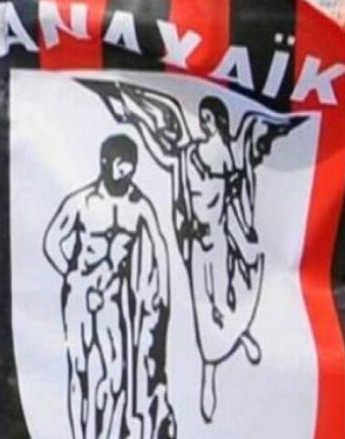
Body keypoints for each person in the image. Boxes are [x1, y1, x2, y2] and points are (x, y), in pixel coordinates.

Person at [85, 80, 304, 423]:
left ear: (218, 121)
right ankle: (209, 375)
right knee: (205, 309)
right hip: (197, 244)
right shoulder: (188, 155)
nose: (203, 123)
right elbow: (162, 149)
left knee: (229, 298)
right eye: (201, 118)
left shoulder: (232, 156)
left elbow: (243, 180)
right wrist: (132, 109)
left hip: (222, 238)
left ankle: (239, 335)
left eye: (208, 118)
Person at [44, 134, 175, 439]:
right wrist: (73, 276)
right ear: (105, 163)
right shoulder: (83, 202)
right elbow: (52, 241)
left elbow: (159, 245)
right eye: (120, 164)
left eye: (130, 165)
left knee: (116, 374)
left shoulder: (138, 206)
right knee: (80, 370)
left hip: (113, 297)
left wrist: (162, 296)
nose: (126, 172)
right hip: (80, 294)